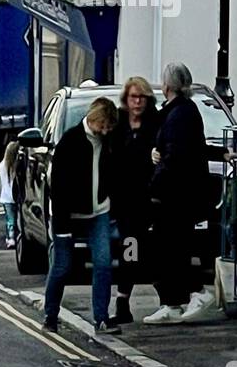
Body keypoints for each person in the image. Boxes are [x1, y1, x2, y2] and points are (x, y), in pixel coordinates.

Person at [143, 62, 215, 324]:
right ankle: (172, 303)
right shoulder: (180, 112)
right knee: (170, 250)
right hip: (180, 193)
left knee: (173, 249)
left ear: (167, 86)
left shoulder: (179, 115)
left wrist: (154, 184)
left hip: (175, 195)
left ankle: (197, 292)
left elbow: (176, 156)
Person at [43, 97, 121, 336]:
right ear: (95, 118)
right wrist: (62, 226)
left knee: (103, 264)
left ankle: (102, 319)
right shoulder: (70, 141)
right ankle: (50, 316)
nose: (106, 131)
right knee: (63, 267)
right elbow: (58, 186)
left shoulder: (108, 141)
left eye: (109, 127)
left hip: (99, 211)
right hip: (68, 214)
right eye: (104, 125)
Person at [108, 77, 159, 325]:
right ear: (126, 100)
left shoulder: (155, 123)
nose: (137, 102)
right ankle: (122, 302)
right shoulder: (117, 125)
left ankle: (168, 299)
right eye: (133, 97)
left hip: (150, 199)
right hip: (124, 201)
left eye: (142, 97)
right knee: (130, 249)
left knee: (148, 251)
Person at [0, 139, 20, 249]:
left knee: (10, 219)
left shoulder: (2, 166)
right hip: (16, 197)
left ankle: (10, 238)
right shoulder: (17, 167)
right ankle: (14, 237)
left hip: (6, 198)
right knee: (17, 218)